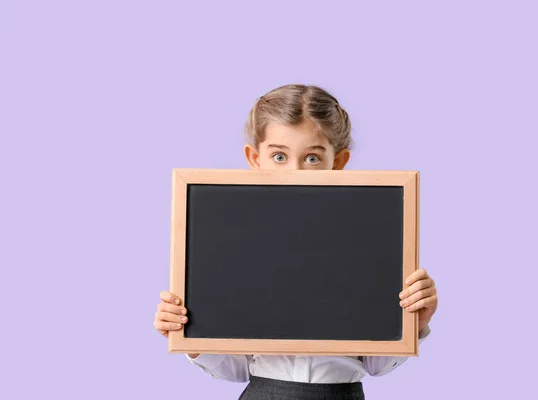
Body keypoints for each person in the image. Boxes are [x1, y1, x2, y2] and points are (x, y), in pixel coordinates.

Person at [154, 84, 439, 400]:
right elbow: (233, 370)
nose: (296, 172)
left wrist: (415, 322)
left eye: (313, 158)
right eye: (279, 156)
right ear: (255, 158)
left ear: (339, 161)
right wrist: (188, 333)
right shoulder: (236, 245)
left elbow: (377, 364)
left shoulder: (367, 244)